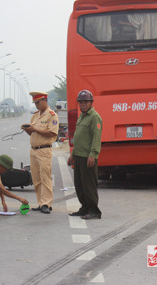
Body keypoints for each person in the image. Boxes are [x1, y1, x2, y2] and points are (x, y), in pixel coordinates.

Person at [67, 90, 103, 220]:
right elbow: (78, 137)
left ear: (91, 103)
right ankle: (85, 208)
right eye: (80, 102)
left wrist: (93, 155)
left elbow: (96, 138)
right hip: (79, 156)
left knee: (89, 185)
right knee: (79, 185)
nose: (82, 104)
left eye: (85, 102)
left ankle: (94, 211)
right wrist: (73, 154)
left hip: (88, 157)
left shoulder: (94, 117)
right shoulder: (82, 116)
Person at [21, 92, 59, 214]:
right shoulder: (36, 116)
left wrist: (35, 129)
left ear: (44, 100)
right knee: (36, 178)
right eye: (35, 103)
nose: (36, 105)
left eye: (38, 102)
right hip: (33, 150)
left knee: (45, 178)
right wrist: (27, 129)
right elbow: (32, 133)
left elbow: (52, 133)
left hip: (44, 150)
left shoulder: (52, 115)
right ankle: (40, 202)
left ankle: (46, 204)